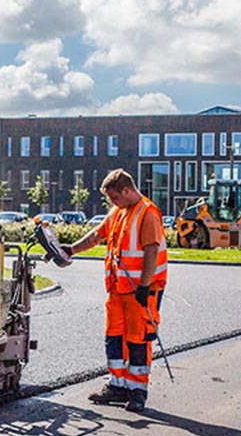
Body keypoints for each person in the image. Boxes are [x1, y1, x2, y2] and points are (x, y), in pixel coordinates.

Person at [63, 169, 168, 412]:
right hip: (118, 290)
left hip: (141, 292)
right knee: (115, 337)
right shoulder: (118, 212)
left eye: (114, 197)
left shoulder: (148, 213)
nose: (112, 202)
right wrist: (71, 249)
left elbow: (151, 251)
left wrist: (144, 286)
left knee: (138, 339)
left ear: (127, 191)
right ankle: (117, 386)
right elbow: (96, 235)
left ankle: (137, 390)